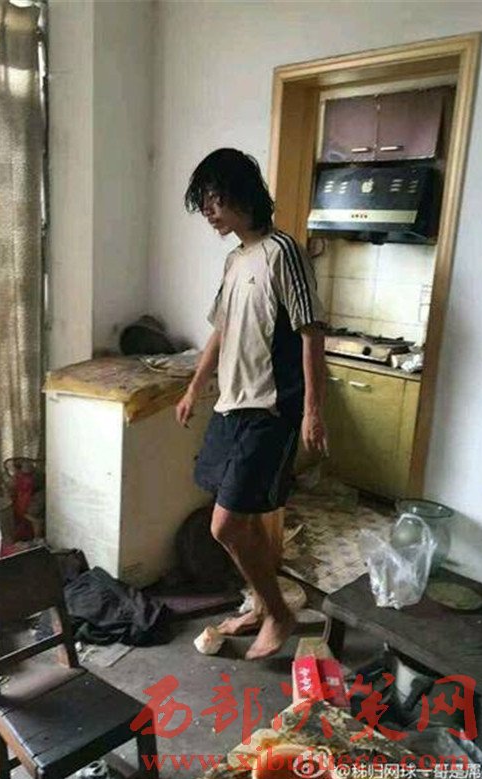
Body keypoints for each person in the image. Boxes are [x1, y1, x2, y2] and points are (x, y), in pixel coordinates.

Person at [176, 148, 327, 660]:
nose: (207, 211)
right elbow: (220, 330)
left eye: (212, 198)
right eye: (203, 202)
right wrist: (194, 387)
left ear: (240, 194)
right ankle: (262, 603)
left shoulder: (284, 252)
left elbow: (311, 333)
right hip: (230, 406)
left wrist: (313, 410)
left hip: (271, 409)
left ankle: (279, 613)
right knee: (238, 520)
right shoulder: (235, 260)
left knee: (224, 524)